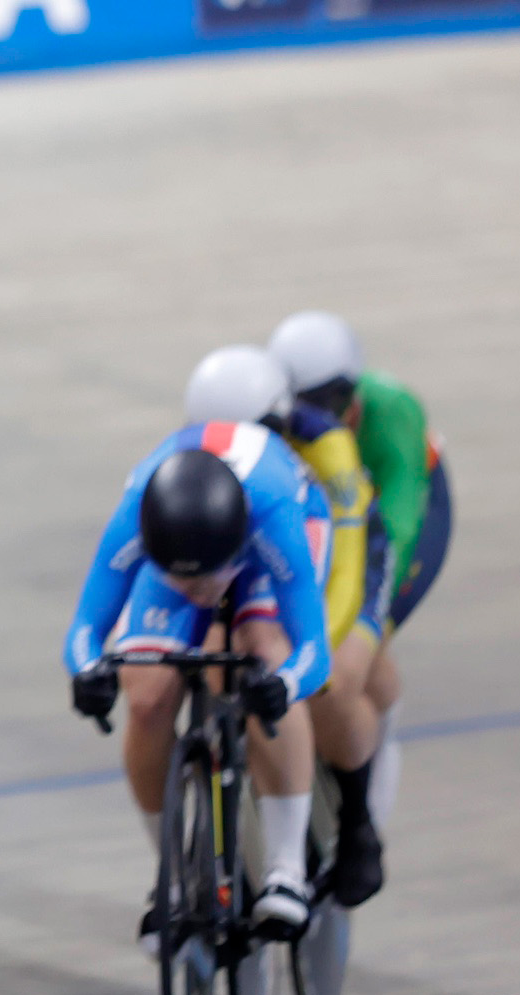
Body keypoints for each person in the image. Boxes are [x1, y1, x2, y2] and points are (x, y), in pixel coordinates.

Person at [65, 420, 332, 938]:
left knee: (265, 647)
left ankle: (286, 871)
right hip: (195, 535)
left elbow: (313, 651)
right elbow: (85, 629)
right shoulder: (136, 517)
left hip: (273, 539)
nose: (196, 587)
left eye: (204, 575)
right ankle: (169, 877)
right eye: (182, 575)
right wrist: (88, 673)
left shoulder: (274, 514)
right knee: (144, 699)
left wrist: (284, 685)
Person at [184, 344, 389, 906]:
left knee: (335, 679)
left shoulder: (326, 447)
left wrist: (311, 647)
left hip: (341, 549)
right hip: (259, 544)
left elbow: (343, 569)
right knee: (214, 651)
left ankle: (357, 825)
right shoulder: (209, 444)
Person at [269, 310, 452, 859]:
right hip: (330, 508)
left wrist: (364, 622)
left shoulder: (391, 409)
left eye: (329, 409)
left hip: (399, 512)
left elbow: (394, 525)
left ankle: (363, 814)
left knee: (355, 660)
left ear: (354, 401)